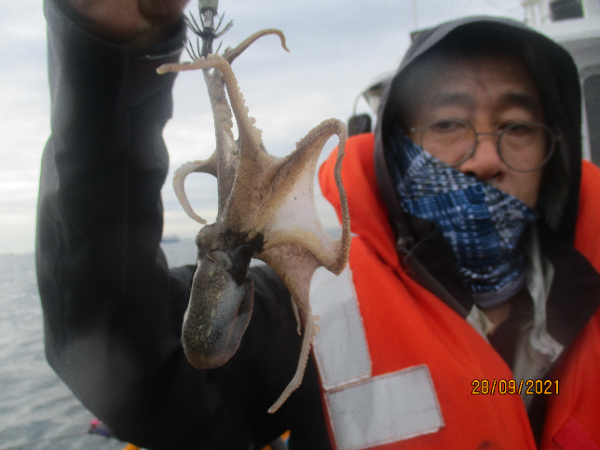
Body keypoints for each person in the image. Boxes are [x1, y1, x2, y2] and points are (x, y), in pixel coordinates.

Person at [37, 0, 600, 448]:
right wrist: (108, 66)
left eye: (517, 127)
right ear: (397, 148)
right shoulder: (314, 301)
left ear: (554, 154)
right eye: (450, 123)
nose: (486, 157)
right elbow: (135, 358)